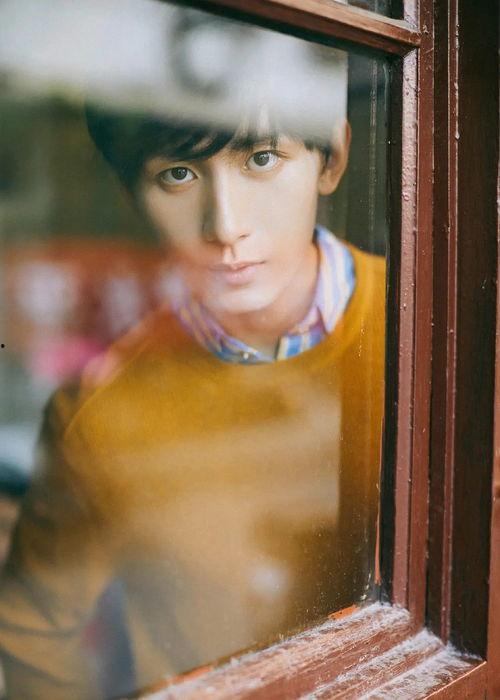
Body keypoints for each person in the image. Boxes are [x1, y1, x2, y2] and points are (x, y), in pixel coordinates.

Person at [0, 57, 386, 700]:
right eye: (177, 174)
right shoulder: (99, 410)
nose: (225, 225)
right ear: (132, 193)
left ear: (332, 159)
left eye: (261, 159)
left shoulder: (437, 325)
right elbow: (33, 633)